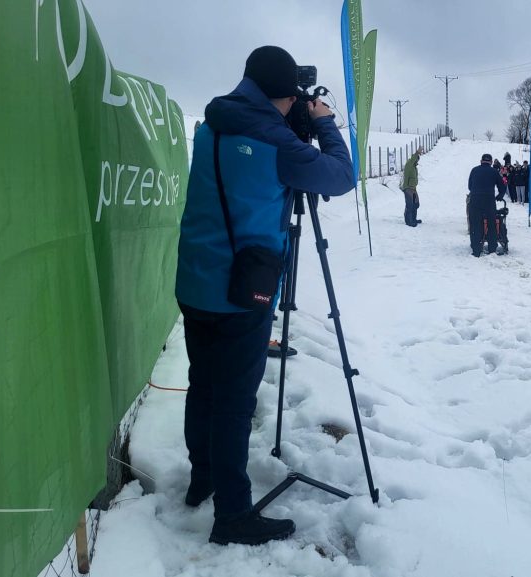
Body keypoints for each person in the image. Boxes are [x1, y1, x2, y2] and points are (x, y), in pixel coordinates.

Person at [175, 46, 354, 545]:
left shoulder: (210, 125)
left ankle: (202, 479)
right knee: (233, 404)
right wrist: (324, 124)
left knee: (204, 387)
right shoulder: (278, 142)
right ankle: (232, 515)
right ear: (287, 95)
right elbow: (341, 175)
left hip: (194, 281)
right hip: (241, 293)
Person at [468, 153, 507, 257]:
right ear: (491, 162)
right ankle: (492, 249)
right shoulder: (494, 171)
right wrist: (499, 196)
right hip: (489, 200)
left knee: (475, 224)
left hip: (475, 200)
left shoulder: (474, 170)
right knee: (491, 224)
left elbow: (469, 186)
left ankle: (476, 250)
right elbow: (503, 187)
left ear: (481, 161)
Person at [402, 146, 422, 227]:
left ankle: (413, 219)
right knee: (409, 205)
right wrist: (417, 152)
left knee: (416, 204)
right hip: (408, 188)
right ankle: (408, 221)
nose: (417, 160)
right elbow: (413, 159)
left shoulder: (414, 167)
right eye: (416, 158)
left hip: (413, 188)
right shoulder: (409, 164)